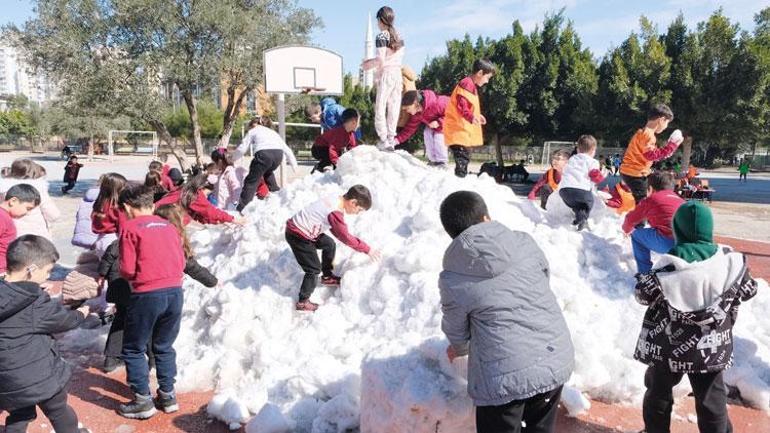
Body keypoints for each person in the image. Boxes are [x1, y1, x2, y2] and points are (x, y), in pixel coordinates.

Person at [437, 191, 574, 433]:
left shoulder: (453, 276)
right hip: (552, 355)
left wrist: (460, 348)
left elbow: (456, 328)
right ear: (486, 218)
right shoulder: (525, 242)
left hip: (502, 378)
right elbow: (543, 278)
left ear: (452, 234)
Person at [633, 201, 757, 433]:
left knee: (658, 392)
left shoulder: (667, 265)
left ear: (678, 231)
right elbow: (749, 290)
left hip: (668, 346)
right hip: (711, 348)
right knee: (712, 397)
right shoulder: (729, 262)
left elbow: (642, 294)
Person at [98, 203, 217, 373]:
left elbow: (111, 254)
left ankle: (111, 358)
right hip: (138, 289)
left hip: (119, 286)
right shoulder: (168, 241)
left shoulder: (132, 234)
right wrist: (212, 282)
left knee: (121, 319)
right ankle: (153, 360)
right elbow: (191, 266)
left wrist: (102, 274)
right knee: (149, 325)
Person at [0, 235, 92, 433]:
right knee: (58, 410)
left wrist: (31, 289)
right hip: (39, 376)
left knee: (19, 414)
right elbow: (63, 321)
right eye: (48, 271)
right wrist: (80, 313)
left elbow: (13, 298)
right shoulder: (35, 304)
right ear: (31, 270)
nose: (48, 276)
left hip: (7, 379)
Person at [115, 185, 187, 419]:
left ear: (126, 206)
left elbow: (126, 268)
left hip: (146, 294)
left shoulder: (130, 227)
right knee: (164, 345)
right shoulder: (168, 226)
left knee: (134, 348)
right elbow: (181, 260)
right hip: (175, 292)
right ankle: (168, 395)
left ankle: (142, 401)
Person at [285, 185, 380, 312]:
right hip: (298, 235)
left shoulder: (337, 199)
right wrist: (367, 249)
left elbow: (336, 231)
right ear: (353, 202)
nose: (358, 213)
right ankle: (302, 302)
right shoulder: (335, 212)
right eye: (359, 209)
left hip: (304, 230)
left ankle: (327, 277)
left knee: (329, 244)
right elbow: (345, 237)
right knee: (313, 269)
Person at [621, 172, 685, 274]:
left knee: (637, 236)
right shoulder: (681, 200)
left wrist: (626, 230)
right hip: (686, 245)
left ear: (650, 188)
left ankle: (645, 274)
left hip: (668, 243)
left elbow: (630, 219)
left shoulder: (652, 199)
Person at [361, 6, 405, 150]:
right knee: (394, 106)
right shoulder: (399, 36)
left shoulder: (381, 36)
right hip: (398, 74)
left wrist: (368, 65)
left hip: (387, 73)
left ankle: (383, 138)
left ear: (381, 20)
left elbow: (380, 60)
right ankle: (391, 138)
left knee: (380, 107)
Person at [619, 104, 683, 204]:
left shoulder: (643, 133)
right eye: (667, 123)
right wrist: (671, 147)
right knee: (642, 203)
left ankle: (645, 216)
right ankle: (641, 219)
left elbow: (651, 155)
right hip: (635, 174)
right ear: (661, 120)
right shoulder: (648, 134)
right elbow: (651, 155)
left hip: (633, 172)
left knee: (649, 194)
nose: (666, 127)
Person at [443, 59, 495, 177]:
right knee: (462, 157)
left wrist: (476, 115)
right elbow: (462, 105)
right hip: (457, 129)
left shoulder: (470, 85)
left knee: (464, 155)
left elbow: (467, 105)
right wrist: (471, 117)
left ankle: (461, 176)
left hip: (460, 130)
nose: (487, 81)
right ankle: (460, 178)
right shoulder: (467, 83)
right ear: (480, 73)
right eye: (487, 78)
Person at [233, 116, 298, 212]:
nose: (250, 129)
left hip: (264, 155)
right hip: (278, 156)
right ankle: (277, 195)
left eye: (251, 126)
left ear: (257, 124)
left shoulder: (254, 130)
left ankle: (241, 208)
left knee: (251, 181)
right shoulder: (273, 133)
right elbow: (287, 149)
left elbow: (242, 148)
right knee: (267, 172)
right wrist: (294, 166)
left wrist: (233, 158)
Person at [0, 159, 61, 241]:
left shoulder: (4, 190)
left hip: (11, 238)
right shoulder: (38, 190)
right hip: (36, 238)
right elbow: (54, 215)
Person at [155, 174, 245, 226]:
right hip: (160, 219)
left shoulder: (186, 191)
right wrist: (232, 219)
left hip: (159, 216)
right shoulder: (196, 195)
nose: (206, 197)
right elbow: (210, 211)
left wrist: (217, 221)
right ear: (201, 188)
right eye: (207, 194)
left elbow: (200, 215)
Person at [558, 135, 605, 231]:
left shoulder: (572, 159)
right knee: (588, 203)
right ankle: (583, 220)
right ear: (593, 150)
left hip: (564, 190)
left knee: (577, 205)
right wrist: (601, 177)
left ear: (578, 150)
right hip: (580, 189)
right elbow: (594, 175)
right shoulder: (593, 161)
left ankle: (579, 218)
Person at [394, 90, 450, 166]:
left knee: (438, 137)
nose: (407, 111)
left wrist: (439, 122)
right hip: (434, 127)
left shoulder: (438, 104)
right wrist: (396, 140)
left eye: (407, 108)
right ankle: (433, 160)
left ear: (415, 104)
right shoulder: (417, 114)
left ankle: (442, 162)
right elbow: (409, 129)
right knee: (427, 133)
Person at [1, 184, 41, 275]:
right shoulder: (2, 217)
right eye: (28, 208)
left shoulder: (5, 217)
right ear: (13, 201)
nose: (27, 213)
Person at [91, 173, 128, 257]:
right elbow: (123, 227)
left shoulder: (99, 204)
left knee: (104, 268)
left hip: (100, 239)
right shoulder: (116, 207)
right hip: (113, 240)